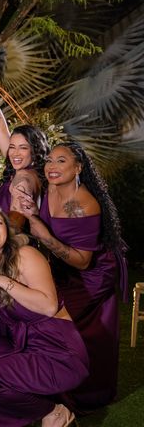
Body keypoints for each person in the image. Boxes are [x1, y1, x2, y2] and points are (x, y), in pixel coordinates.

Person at [0, 205, 89, 427]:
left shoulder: (27, 255)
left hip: (58, 350)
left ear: (6, 229)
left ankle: (52, 411)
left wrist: (3, 282)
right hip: (23, 344)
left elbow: (49, 306)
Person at [17, 142, 127, 412]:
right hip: (65, 268)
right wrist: (32, 213)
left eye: (61, 161)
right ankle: (50, 385)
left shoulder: (82, 204)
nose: (52, 167)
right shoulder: (52, 186)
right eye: (50, 160)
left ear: (78, 167)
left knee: (62, 322)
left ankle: (79, 394)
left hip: (91, 274)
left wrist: (44, 236)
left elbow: (82, 260)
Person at [0, 65, 48, 231]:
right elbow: (0, 127)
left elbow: (15, 224)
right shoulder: (31, 171)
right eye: (12, 146)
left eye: (23, 148)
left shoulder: (23, 180)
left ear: (35, 151)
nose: (14, 153)